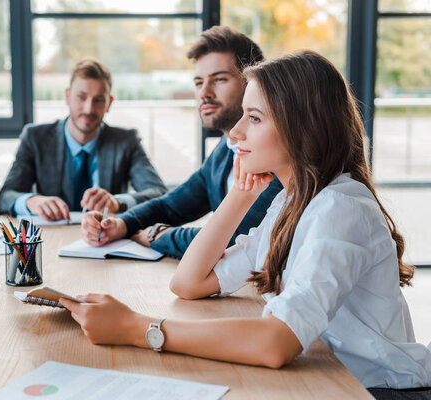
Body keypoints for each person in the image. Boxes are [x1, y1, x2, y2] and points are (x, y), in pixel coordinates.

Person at [61, 51, 431, 399]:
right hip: (326, 375)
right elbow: (188, 283)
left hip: (376, 389)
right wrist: (240, 194)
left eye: (253, 118)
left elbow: (275, 344)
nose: (236, 132)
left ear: (303, 128)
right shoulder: (291, 201)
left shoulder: (339, 208)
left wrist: (136, 329)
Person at [81, 26, 282, 259]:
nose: (204, 93)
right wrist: (118, 225)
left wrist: (159, 236)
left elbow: (235, 239)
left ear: (251, 84)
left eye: (219, 80)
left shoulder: (272, 153)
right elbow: (171, 206)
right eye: (198, 82)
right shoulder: (224, 151)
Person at [0, 58, 167, 221]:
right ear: (67, 96)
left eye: (99, 100)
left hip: (105, 239)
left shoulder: (126, 141)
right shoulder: (35, 138)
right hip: (51, 237)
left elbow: (159, 192)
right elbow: (6, 196)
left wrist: (118, 202)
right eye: (81, 97)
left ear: (109, 103)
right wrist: (31, 201)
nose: (89, 109)